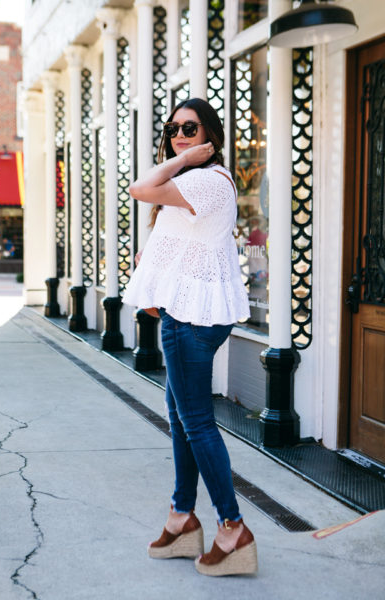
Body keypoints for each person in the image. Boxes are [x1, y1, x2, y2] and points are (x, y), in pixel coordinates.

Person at [123, 98, 258, 577]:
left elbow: (140, 188)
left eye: (190, 127)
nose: (180, 133)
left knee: (196, 421)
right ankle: (182, 519)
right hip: (186, 314)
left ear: (211, 136)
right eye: (173, 128)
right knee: (181, 416)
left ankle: (233, 527)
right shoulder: (195, 183)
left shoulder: (206, 178)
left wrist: (182, 157)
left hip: (191, 321)